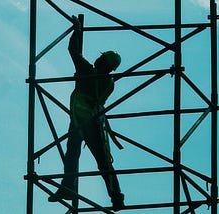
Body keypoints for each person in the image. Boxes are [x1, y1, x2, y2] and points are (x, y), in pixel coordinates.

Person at [48, 15, 125, 212]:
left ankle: (67, 188)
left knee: (73, 153)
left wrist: (77, 29)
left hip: (80, 119)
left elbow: (73, 51)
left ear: (101, 60)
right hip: (95, 120)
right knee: (103, 161)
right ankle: (117, 198)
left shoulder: (87, 71)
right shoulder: (110, 83)